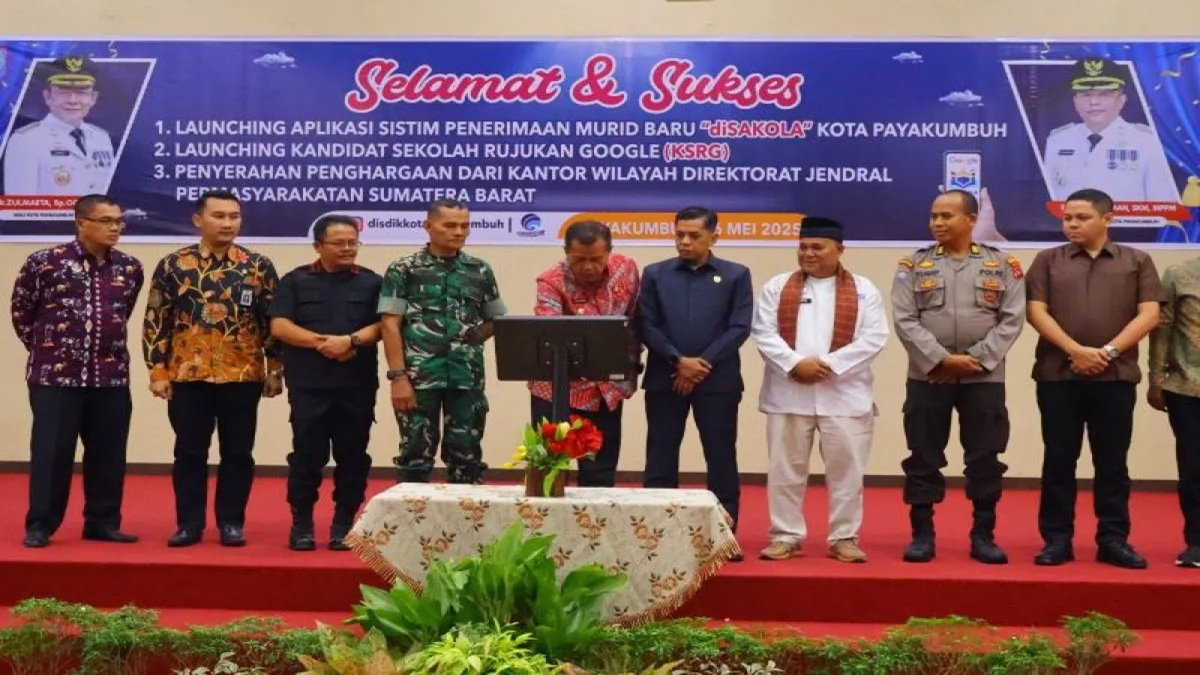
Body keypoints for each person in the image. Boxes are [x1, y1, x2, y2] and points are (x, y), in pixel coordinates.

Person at [1026, 188, 1162, 568]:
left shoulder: (1137, 260)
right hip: (1058, 376)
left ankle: (1113, 540)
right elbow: (1036, 312)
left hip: (1115, 376)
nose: (1071, 224)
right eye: (1067, 218)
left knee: (1112, 463)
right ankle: (1057, 540)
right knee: (1058, 460)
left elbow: (1149, 315)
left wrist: (1107, 353)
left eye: (1081, 217)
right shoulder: (1047, 261)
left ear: (1108, 219)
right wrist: (1076, 351)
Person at [891, 190, 1026, 565]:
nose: (937, 223)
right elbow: (904, 319)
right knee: (923, 456)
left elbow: (1012, 318)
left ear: (971, 219)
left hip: (984, 378)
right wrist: (940, 360)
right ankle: (922, 536)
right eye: (933, 216)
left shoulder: (1003, 264)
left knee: (985, 457)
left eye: (946, 216)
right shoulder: (913, 264)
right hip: (928, 376)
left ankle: (983, 536)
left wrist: (976, 360)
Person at [142, 189, 282, 548]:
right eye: (219, 216)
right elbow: (157, 319)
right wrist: (157, 371)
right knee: (189, 452)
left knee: (238, 452)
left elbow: (271, 320)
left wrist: (275, 368)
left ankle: (231, 523)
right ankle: (189, 524)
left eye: (234, 216)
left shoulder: (258, 265)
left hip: (242, 374)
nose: (228, 223)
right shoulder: (174, 265)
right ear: (198, 219)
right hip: (188, 375)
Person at [750, 217, 889, 563]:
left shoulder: (864, 289)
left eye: (817, 247)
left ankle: (844, 537)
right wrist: (795, 363)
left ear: (840, 249)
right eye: (803, 247)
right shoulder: (778, 286)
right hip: (788, 393)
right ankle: (785, 535)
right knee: (784, 470)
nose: (808, 253)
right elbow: (763, 332)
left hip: (845, 395)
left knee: (847, 472)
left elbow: (874, 337)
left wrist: (828, 365)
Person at [10, 194, 143, 547]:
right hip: (55, 376)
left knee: (108, 452)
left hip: (110, 375)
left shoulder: (129, 267)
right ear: (81, 222)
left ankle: (102, 522)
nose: (115, 228)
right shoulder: (45, 262)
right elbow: (22, 312)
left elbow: (123, 313)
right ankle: (41, 525)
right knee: (52, 452)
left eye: (119, 221)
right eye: (106, 221)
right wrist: (50, 350)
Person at [638, 206, 753, 543]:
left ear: (714, 237)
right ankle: (657, 537)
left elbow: (739, 327)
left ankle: (723, 537)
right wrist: (678, 361)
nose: (685, 242)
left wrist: (700, 364)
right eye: (679, 235)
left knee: (720, 458)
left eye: (694, 235)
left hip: (717, 382)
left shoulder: (736, 275)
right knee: (660, 457)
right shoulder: (655, 274)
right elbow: (646, 324)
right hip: (666, 378)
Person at [269, 215, 382, 551]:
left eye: (353, 242)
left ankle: (344, 524)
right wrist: (324, 343)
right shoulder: (295, 281)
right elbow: (280, 326)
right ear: (318, 245)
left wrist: (350, 341)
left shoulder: (373, 282)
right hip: (309, 385)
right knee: (307, 455)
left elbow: (384, 325)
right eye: (339, 243)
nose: (348, 248)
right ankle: (302, 524)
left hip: (356, 384)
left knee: (353, 456)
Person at [378, 198, 506, 485]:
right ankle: (411, 513)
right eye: (449, 225)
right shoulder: (404, 269)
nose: (458, 232)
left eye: (464, 226)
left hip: (466, 378)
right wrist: (398, 377)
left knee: (467, 455)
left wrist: (472, 338)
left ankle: (466, 514)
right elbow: (390, 324)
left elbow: (497, 319)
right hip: (419, 377)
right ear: (428, 226)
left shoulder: (479, 270)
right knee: (414, 455)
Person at [528, 220, 640, 487]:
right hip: (556, 389)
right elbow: (550, 333)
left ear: (609, 251)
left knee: (600, 470)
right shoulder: (551, 281)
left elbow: (636, 319)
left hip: (605, 387)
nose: (588, 266)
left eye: (596, 259)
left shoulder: (626, 269)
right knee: (551, 467)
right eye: (579, 259)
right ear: (566, 252)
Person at [1043, 58, 1178, 203]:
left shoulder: (1147, 141)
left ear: (1121, 100)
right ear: (1075, 101)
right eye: (1086, 94)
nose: (1094, 102)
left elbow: (1162, 205)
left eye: (1104, 94)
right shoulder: (1058, 140)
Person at [1147, 255, 1200, 568]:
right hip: (1187, 387)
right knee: (1194, 469)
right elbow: (1162, 328)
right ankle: (1196, 542)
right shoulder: (1180, 274)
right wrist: (1156, 379)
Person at [3, 56, 116, 195]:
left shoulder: (101, 138)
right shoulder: (25, 140)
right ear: (48, 97)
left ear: (93, 98)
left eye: (81, 93)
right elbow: (20, 204)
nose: (72, 101)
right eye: (64, 92)